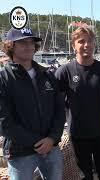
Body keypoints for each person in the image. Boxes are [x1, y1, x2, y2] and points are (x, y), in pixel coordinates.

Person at [0, 27, 65, 180]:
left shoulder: (47, 75)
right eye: (22, 42)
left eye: (31, 42)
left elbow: (59, 110)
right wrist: (37, 142)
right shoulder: (3, 79)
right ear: (11, 46)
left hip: (51, 148)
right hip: (20, 152)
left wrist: (52, 139)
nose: (28, 46)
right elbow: (4, 123)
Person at [55, 27, 100, 180]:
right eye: (81, 41)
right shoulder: (64, 72)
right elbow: (57, 103)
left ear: (94, 44)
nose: (86, 45)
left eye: (90, 41)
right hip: (77, 134)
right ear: (73, 45)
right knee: (85, 175)